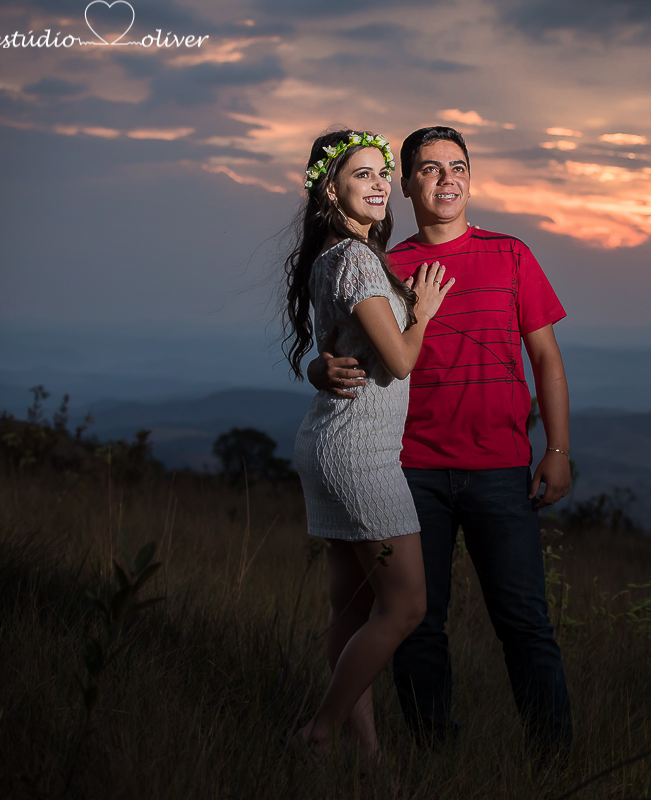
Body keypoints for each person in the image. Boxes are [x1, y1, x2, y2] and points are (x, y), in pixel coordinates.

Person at [308, 125, 574, 754]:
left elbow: (546, 359)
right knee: (419, 626)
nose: (446, 179)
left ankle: (554, 760)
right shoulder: (384, 263)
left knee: (524, 624)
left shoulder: (511, 255)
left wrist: (557, 450)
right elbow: (339, 348)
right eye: (429, 169)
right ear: (406, 184)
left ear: (470, 178)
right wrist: (318, 368)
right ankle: (434, 757)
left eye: (458, 167)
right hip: (409, 469)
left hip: (500, 467)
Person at [282, 128, 455, 762]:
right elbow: (401, 361)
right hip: (358, 453)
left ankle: (367, 750)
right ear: (332, 190)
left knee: (351, 607)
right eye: (363, 174)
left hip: (329, 440)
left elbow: (340, 351)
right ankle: (319, 732)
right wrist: (424, 311)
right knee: (406, 603)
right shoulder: (354, 259)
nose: (381, 183)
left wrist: (318, 367)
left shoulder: (333, 257)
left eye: (384, 173)